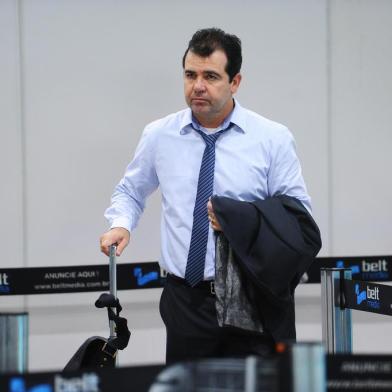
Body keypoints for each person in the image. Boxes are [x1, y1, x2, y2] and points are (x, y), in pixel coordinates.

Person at [100, 28, 313, 363]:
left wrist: (239, 219)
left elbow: (297, 220)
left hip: (251, 298)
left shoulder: (271, 138)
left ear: (235, 82)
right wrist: (121, 224)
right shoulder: (160, 135)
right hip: (186, 300)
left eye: (210, 76)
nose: (197, 86)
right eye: (190, 75)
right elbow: (130, 190)